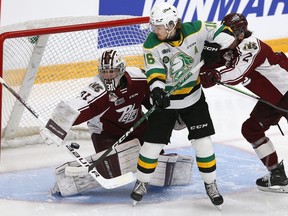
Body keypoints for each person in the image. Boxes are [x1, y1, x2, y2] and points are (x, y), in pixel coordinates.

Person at [40, 49, 194, 196]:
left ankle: (155, 156)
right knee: (111, 168)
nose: (107, 76)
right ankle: (68, 182)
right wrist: (57, 125)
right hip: (106, 132)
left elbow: (153, 98)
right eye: (104, 72)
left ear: (121, 70)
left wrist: (173, 114)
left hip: (137, 126)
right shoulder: (97, 88)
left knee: (153, 156)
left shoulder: (138, 78)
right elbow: (80, 105)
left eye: (111, 71)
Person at [130, 2, 235, 207]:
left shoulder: (196, 29)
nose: (155, 30)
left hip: (193, 99)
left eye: (158, 27)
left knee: (203, 142)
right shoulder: (151, 44)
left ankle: (211, 184)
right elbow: (154, 72)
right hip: (166, 104)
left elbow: (227, 34)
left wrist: (214, 47)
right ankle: (142, 182)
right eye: (154, 26)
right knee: (152, 145)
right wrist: (158, 90)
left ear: (171, 24)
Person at [199, 13, 288, 193]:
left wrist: (215, 76)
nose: (226, 36)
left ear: (241, 34)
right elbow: (214, 62)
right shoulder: (229, 45)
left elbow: (237, 72)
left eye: (231, 33)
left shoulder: (251, 45)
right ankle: (276, 174)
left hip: (286, 92)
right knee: (251, 129)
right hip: (272, 99)